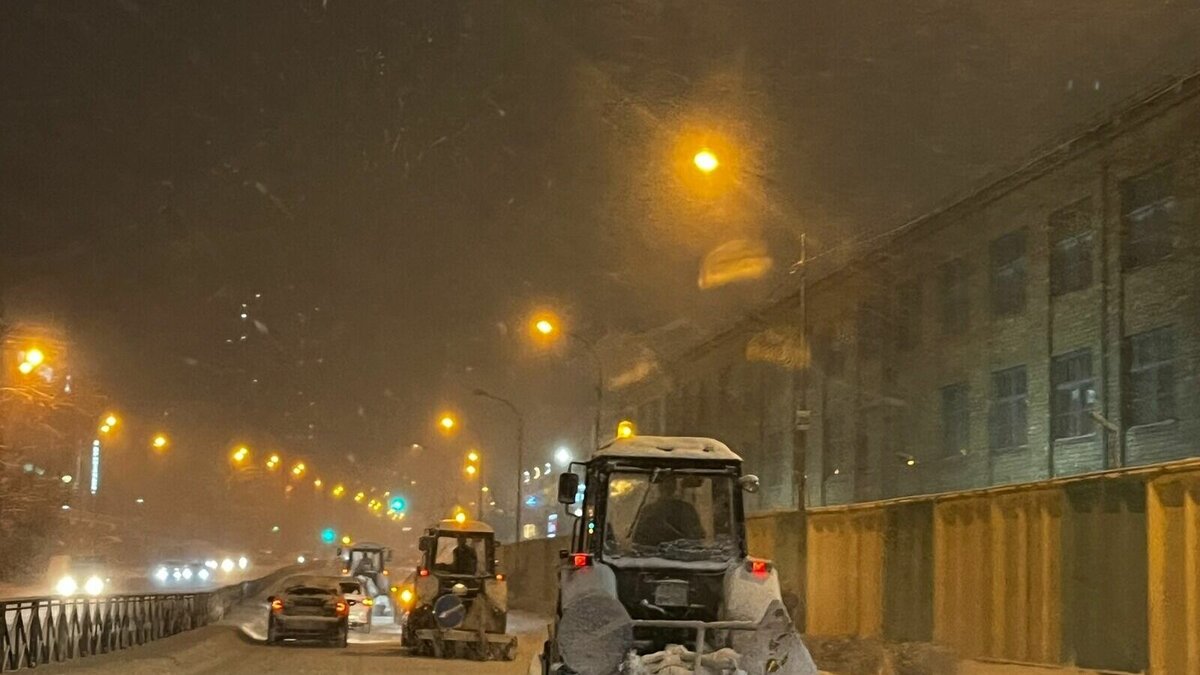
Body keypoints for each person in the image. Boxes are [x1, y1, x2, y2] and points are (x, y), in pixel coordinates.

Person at [631, 475, 705, 547]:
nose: (667, 488)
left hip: (683, 555)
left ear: (674, 487)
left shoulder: (687, 509)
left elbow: (696, 539)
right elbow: (638, 542)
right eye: (665, 485)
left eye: (670, 485)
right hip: (652, 556)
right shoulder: (648, 510)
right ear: (660, 487)